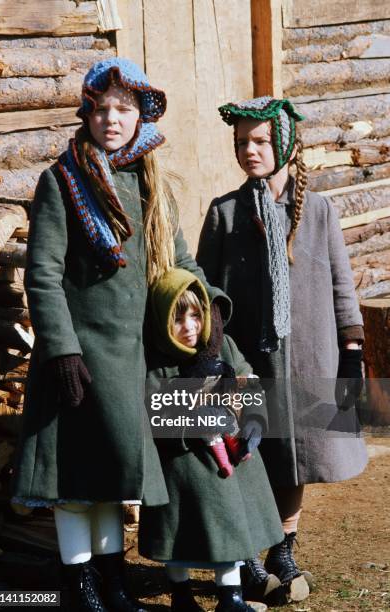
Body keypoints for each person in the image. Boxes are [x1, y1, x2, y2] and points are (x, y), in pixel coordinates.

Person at [12, 58, 228, 612]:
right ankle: (79, 587)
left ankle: (114, 580)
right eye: (102, 108)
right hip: (78, 357)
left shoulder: (149, 178)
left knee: (110, 477)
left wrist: (212, 312)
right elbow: (43, 273)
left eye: (124, 109)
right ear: (87, 112)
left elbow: (179, 258)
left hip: (130, 357)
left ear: (140, 116)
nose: (112, 119)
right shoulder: (60, 180)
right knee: (72, 477)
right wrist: (60, 349)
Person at [196, 96, 368, 602]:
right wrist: (212, 354)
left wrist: (353, 351)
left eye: (260, 142)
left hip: (311, 355)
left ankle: (283, 549)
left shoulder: (318, 211)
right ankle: (248, 553)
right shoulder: (225, 213)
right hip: (248, 361)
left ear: (286, 146)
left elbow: (341, 284)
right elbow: (207, 291)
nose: (249, 150)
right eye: (241, 142)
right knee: (249, 452)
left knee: (297, 453)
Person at [139, 268, 286, 612]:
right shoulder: (157, 361)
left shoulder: (222, 346)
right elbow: (156, 409)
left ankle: (230, 596)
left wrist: (254, 419)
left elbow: (247, 376)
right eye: (178, 319)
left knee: (230, 526)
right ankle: (181, 594)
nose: (189, 327)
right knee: (178, 535)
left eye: (195, 315)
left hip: (230, 462)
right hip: (183, 466)